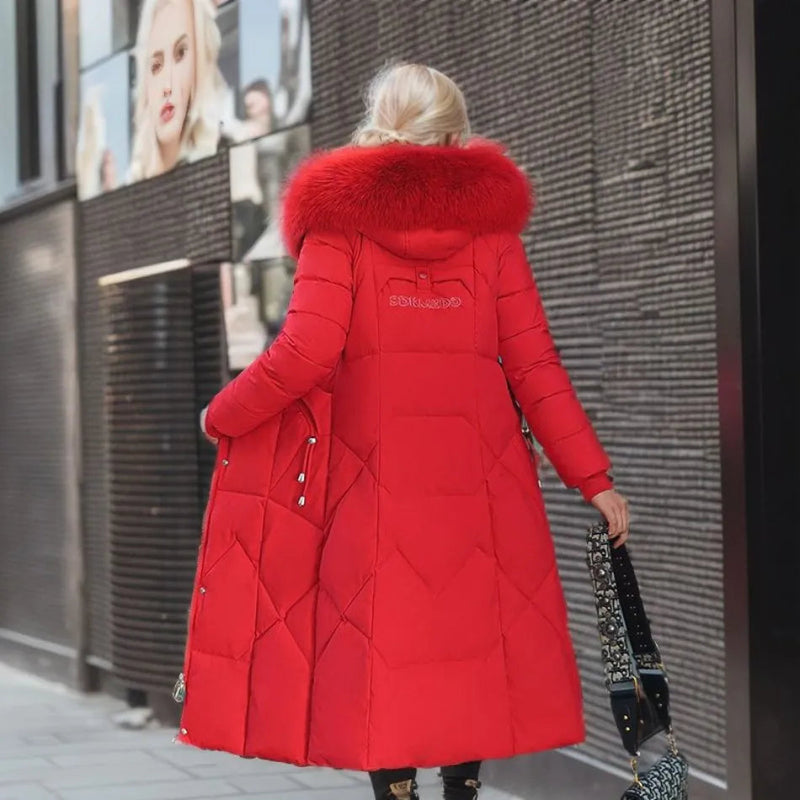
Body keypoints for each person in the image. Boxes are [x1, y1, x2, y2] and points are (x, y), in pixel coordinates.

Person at [192, 63, 630, 800]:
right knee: (469, 652)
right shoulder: (491, 235)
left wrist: (222, 414)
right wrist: (594, 479)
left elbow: (304, 352)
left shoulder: (340, 223)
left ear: (377, 124)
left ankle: (396, 793)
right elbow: (536, 367)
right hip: (482, 493)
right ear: (457, 137)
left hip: (370, 489)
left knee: (378, 653)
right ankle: (461, 791)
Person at [129, 0, 224, 181]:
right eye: (156, 66)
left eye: (181, 53)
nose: (167, 86)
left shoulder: (215, 163)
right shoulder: (134, 178)